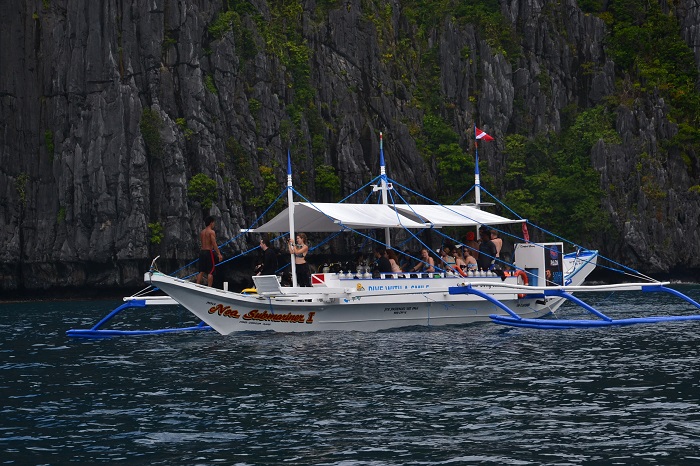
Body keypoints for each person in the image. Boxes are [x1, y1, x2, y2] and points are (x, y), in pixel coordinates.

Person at [196, 216, 223, 287]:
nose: (214, 224)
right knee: (211, 271)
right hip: (208, 252)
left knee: (201, 271)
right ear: (211, 223)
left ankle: (197, 285)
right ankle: (209, 288)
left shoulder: (202, 232)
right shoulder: (211, 232)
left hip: (202, 252)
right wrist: (219, 254)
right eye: (213, 222)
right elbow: (214, 243)